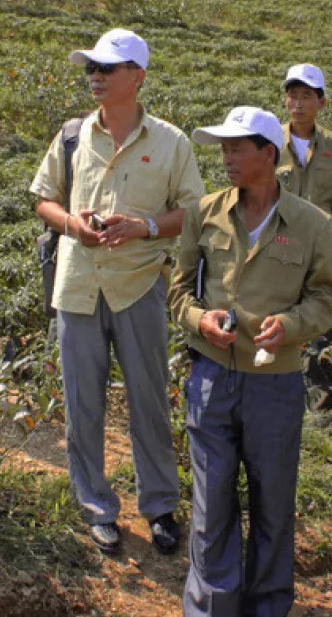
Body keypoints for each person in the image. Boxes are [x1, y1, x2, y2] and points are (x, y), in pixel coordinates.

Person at [170, 106, 332, 617]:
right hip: (213, 377)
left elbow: (326, 301)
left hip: (276, 382)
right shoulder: (203, 214)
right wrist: (201, 320)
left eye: (236, 148)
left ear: (268, 154)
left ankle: (268, 602)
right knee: (211, 497)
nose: (226, 158)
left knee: (273, 496)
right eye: (223, 148)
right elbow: (178, 292)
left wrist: (290, 325)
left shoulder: (313, 225)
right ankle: (211, 615)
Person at [30, 28, 204, 557]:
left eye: (108, 68)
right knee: (83, 402)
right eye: (92, 68)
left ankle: (159, 506)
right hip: (78, 284)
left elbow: (193, 213)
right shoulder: (71, 134)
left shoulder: (171, 142)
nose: (96, 77)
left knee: (149, 400)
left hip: (138, 286)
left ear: (138, 77)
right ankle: (97, 508)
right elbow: (43, 200)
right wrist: (71, 226)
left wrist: (144, 227)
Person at [277, 63, 332, 411]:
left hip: (323, 247)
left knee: (319, 318)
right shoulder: (269, 141)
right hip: (279, 245)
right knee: (278, 313)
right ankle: (280, 392)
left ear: (321, 103)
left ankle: (320, 400)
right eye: (292, 96)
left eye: (306, 97)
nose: (298, 104)